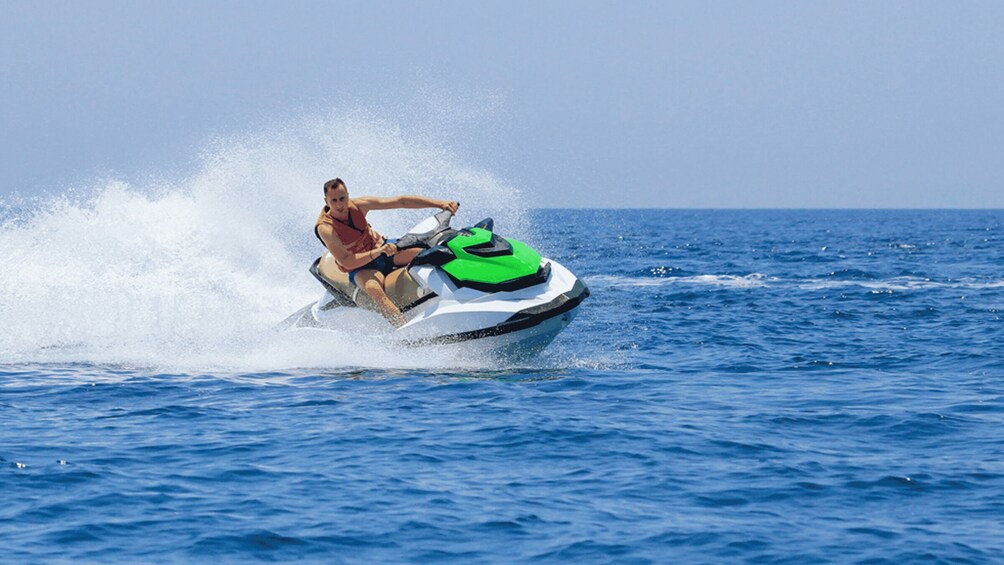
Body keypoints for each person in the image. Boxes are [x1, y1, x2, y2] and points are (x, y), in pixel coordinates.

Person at [314, 177, 459, 326]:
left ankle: (461, 291)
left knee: (430, 253)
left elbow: (400, 202)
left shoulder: (359, 205)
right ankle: (402, 328)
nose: (339, 205)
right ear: (326, 201)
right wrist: (378, 252)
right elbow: (347, 261)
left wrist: (440, 204)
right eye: (334, 201)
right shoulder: (326, 228)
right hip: (362, 267)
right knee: (374, 289)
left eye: (342, 198)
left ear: (347, 195)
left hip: (385, 250)